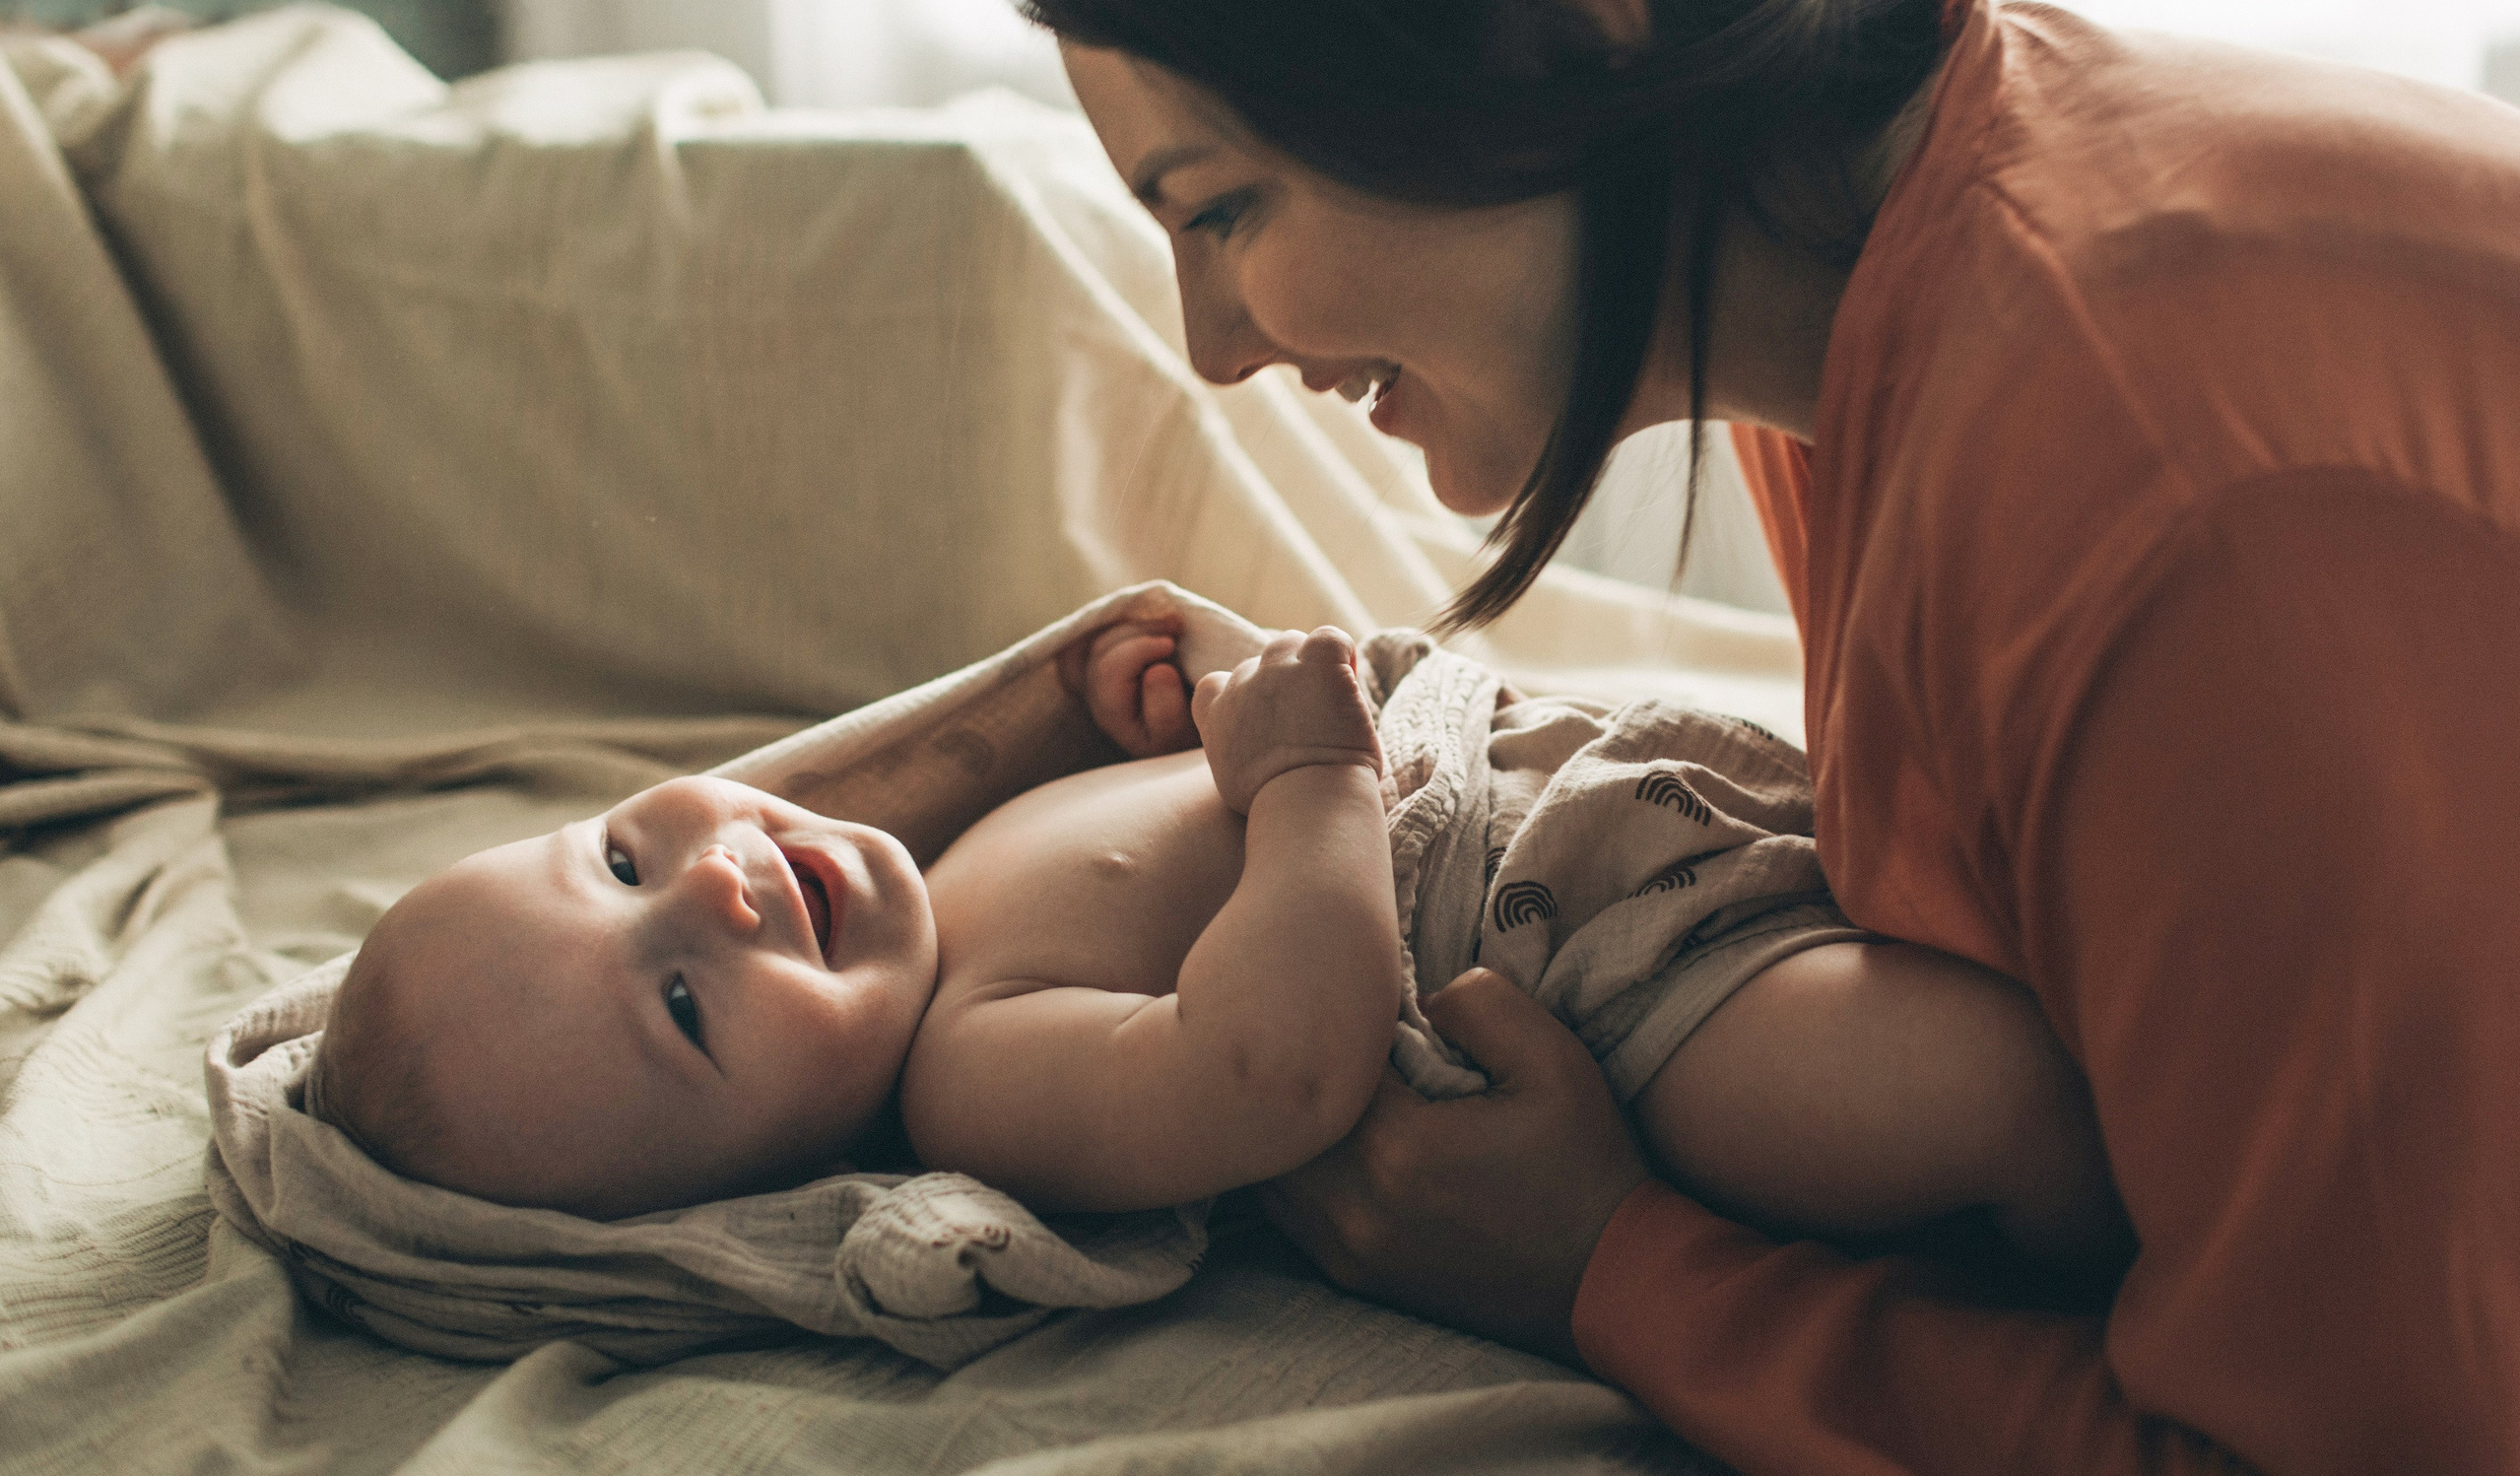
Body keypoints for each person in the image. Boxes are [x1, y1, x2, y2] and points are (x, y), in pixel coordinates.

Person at [1003, 0, 2520, 1471]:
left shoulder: (2161, 498)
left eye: (1220, 210)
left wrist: (1614, 1271)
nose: (1214, 349)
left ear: (1563, 38)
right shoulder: (1899, 268)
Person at [311, 611, 2125, 1289]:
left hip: (1595, 788)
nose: (717, 891)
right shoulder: (975, 1077)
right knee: (2013, 1094)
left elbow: (1219, 804)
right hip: (1611, 988)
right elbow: (1275, 1063)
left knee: (2093, 887)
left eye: (621, 857)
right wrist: (1312, 780)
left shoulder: (947, 861)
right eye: (687, 1009)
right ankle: (2149, 1300)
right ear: (749, 1183)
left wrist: (1162, 703)